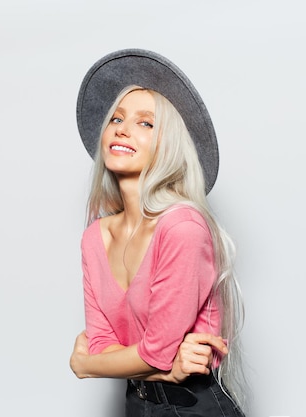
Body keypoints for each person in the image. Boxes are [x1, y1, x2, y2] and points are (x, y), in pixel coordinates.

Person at [69, 49, 247, 417]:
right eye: (116, 118)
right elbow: (103, 342)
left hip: (194, 408)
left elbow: (146, 352)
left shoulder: (183, 227)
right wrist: (168, 367)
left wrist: (87, 366)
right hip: (136, 405)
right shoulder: (94, 238)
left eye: (145, 123)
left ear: (169, 146)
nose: (122, 128)